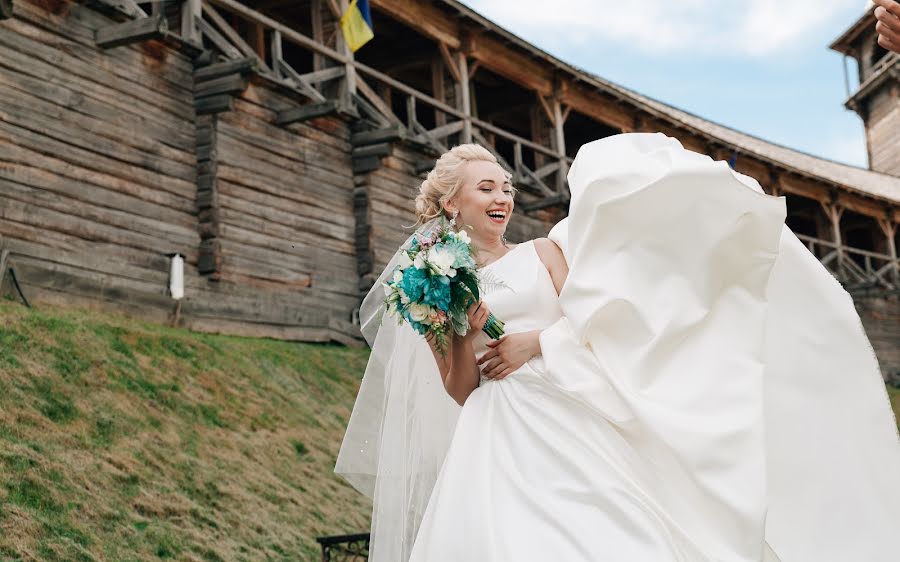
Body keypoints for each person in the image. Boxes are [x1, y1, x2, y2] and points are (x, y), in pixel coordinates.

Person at [335, 134, 900, 562]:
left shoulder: (544, 253)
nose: (502, 197)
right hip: (497, 430)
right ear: (452, 204)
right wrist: (462, 329)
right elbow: (459, 389)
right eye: (487, 189)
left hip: (573, 409)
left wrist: (535, 342)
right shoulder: (430, 285)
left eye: (506, 187)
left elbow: (595, 326)